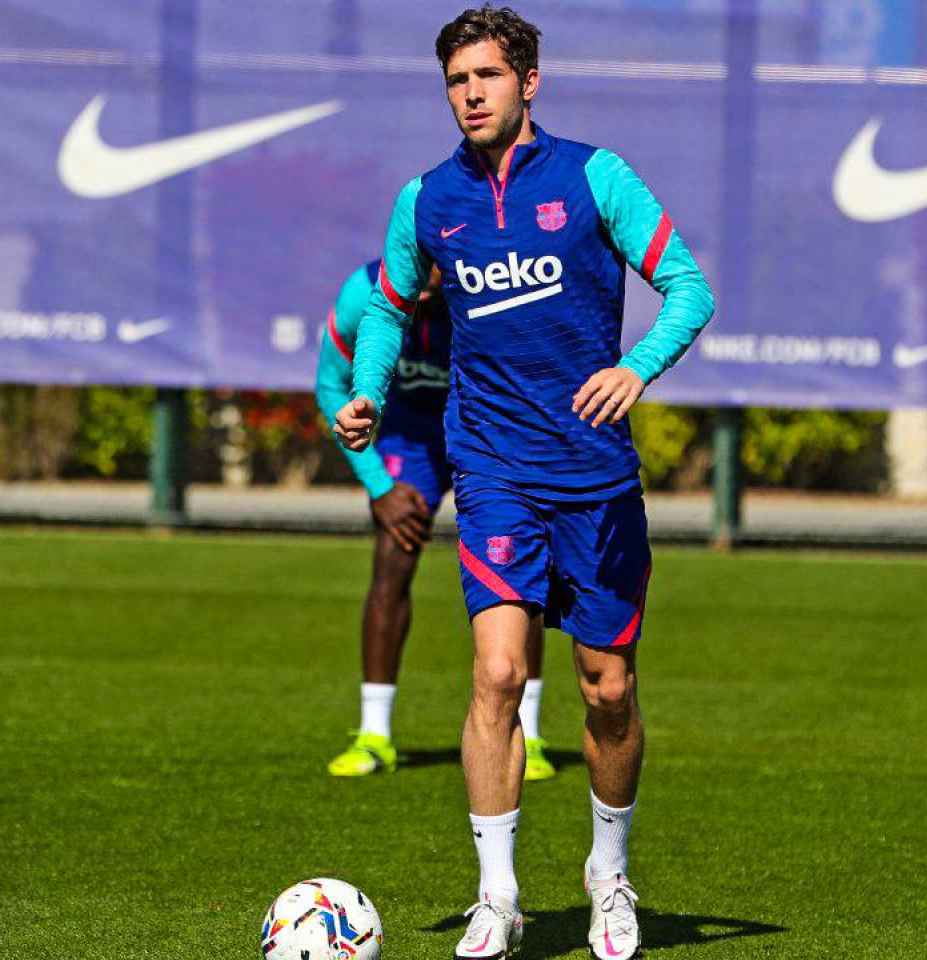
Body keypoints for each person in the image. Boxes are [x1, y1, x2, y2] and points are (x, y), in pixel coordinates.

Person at [332, 7, 714, 957]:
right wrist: (370, 393)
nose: (470, 93)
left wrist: (639, 366)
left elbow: (691, 289)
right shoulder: (426, 198)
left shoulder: (595, 176)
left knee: (607, 690)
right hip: (492, 468)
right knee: (497, 674)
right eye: (457, 79)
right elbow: (384, 308)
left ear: (529, 81)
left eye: (488, 76)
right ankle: (496, 896)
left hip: (593, 479)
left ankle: (608, 877)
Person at [315, 259, 556, 783]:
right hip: (409, 436)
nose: (424, 278)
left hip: (487, 430)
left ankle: (529, 734)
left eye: (434, 267)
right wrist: (379, 485)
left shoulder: (488, 288)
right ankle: (375, 735)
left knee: (518, 572)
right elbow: (330, 386)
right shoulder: (363, 291)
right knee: (392, 560)